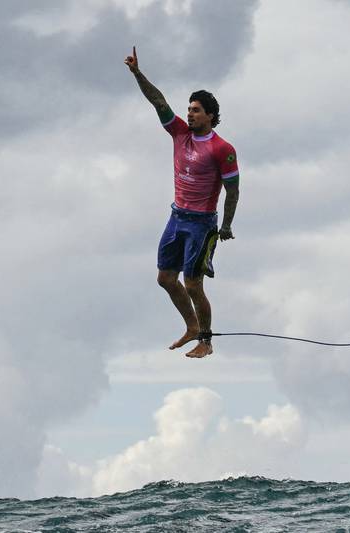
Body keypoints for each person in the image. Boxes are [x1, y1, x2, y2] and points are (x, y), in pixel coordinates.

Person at [124, 46, 239, 358]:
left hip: (202, 224)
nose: (189, 114)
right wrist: (137, 74)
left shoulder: (222, 148)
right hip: (177, 217)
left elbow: (233, 190)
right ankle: (191, 326)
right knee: (165, 279)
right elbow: (158, 101)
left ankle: (206, 340)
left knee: (193, 284)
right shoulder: (179, 133)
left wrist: (226, 225)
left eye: (196, 110)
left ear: (211, 116)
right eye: (189, 109)